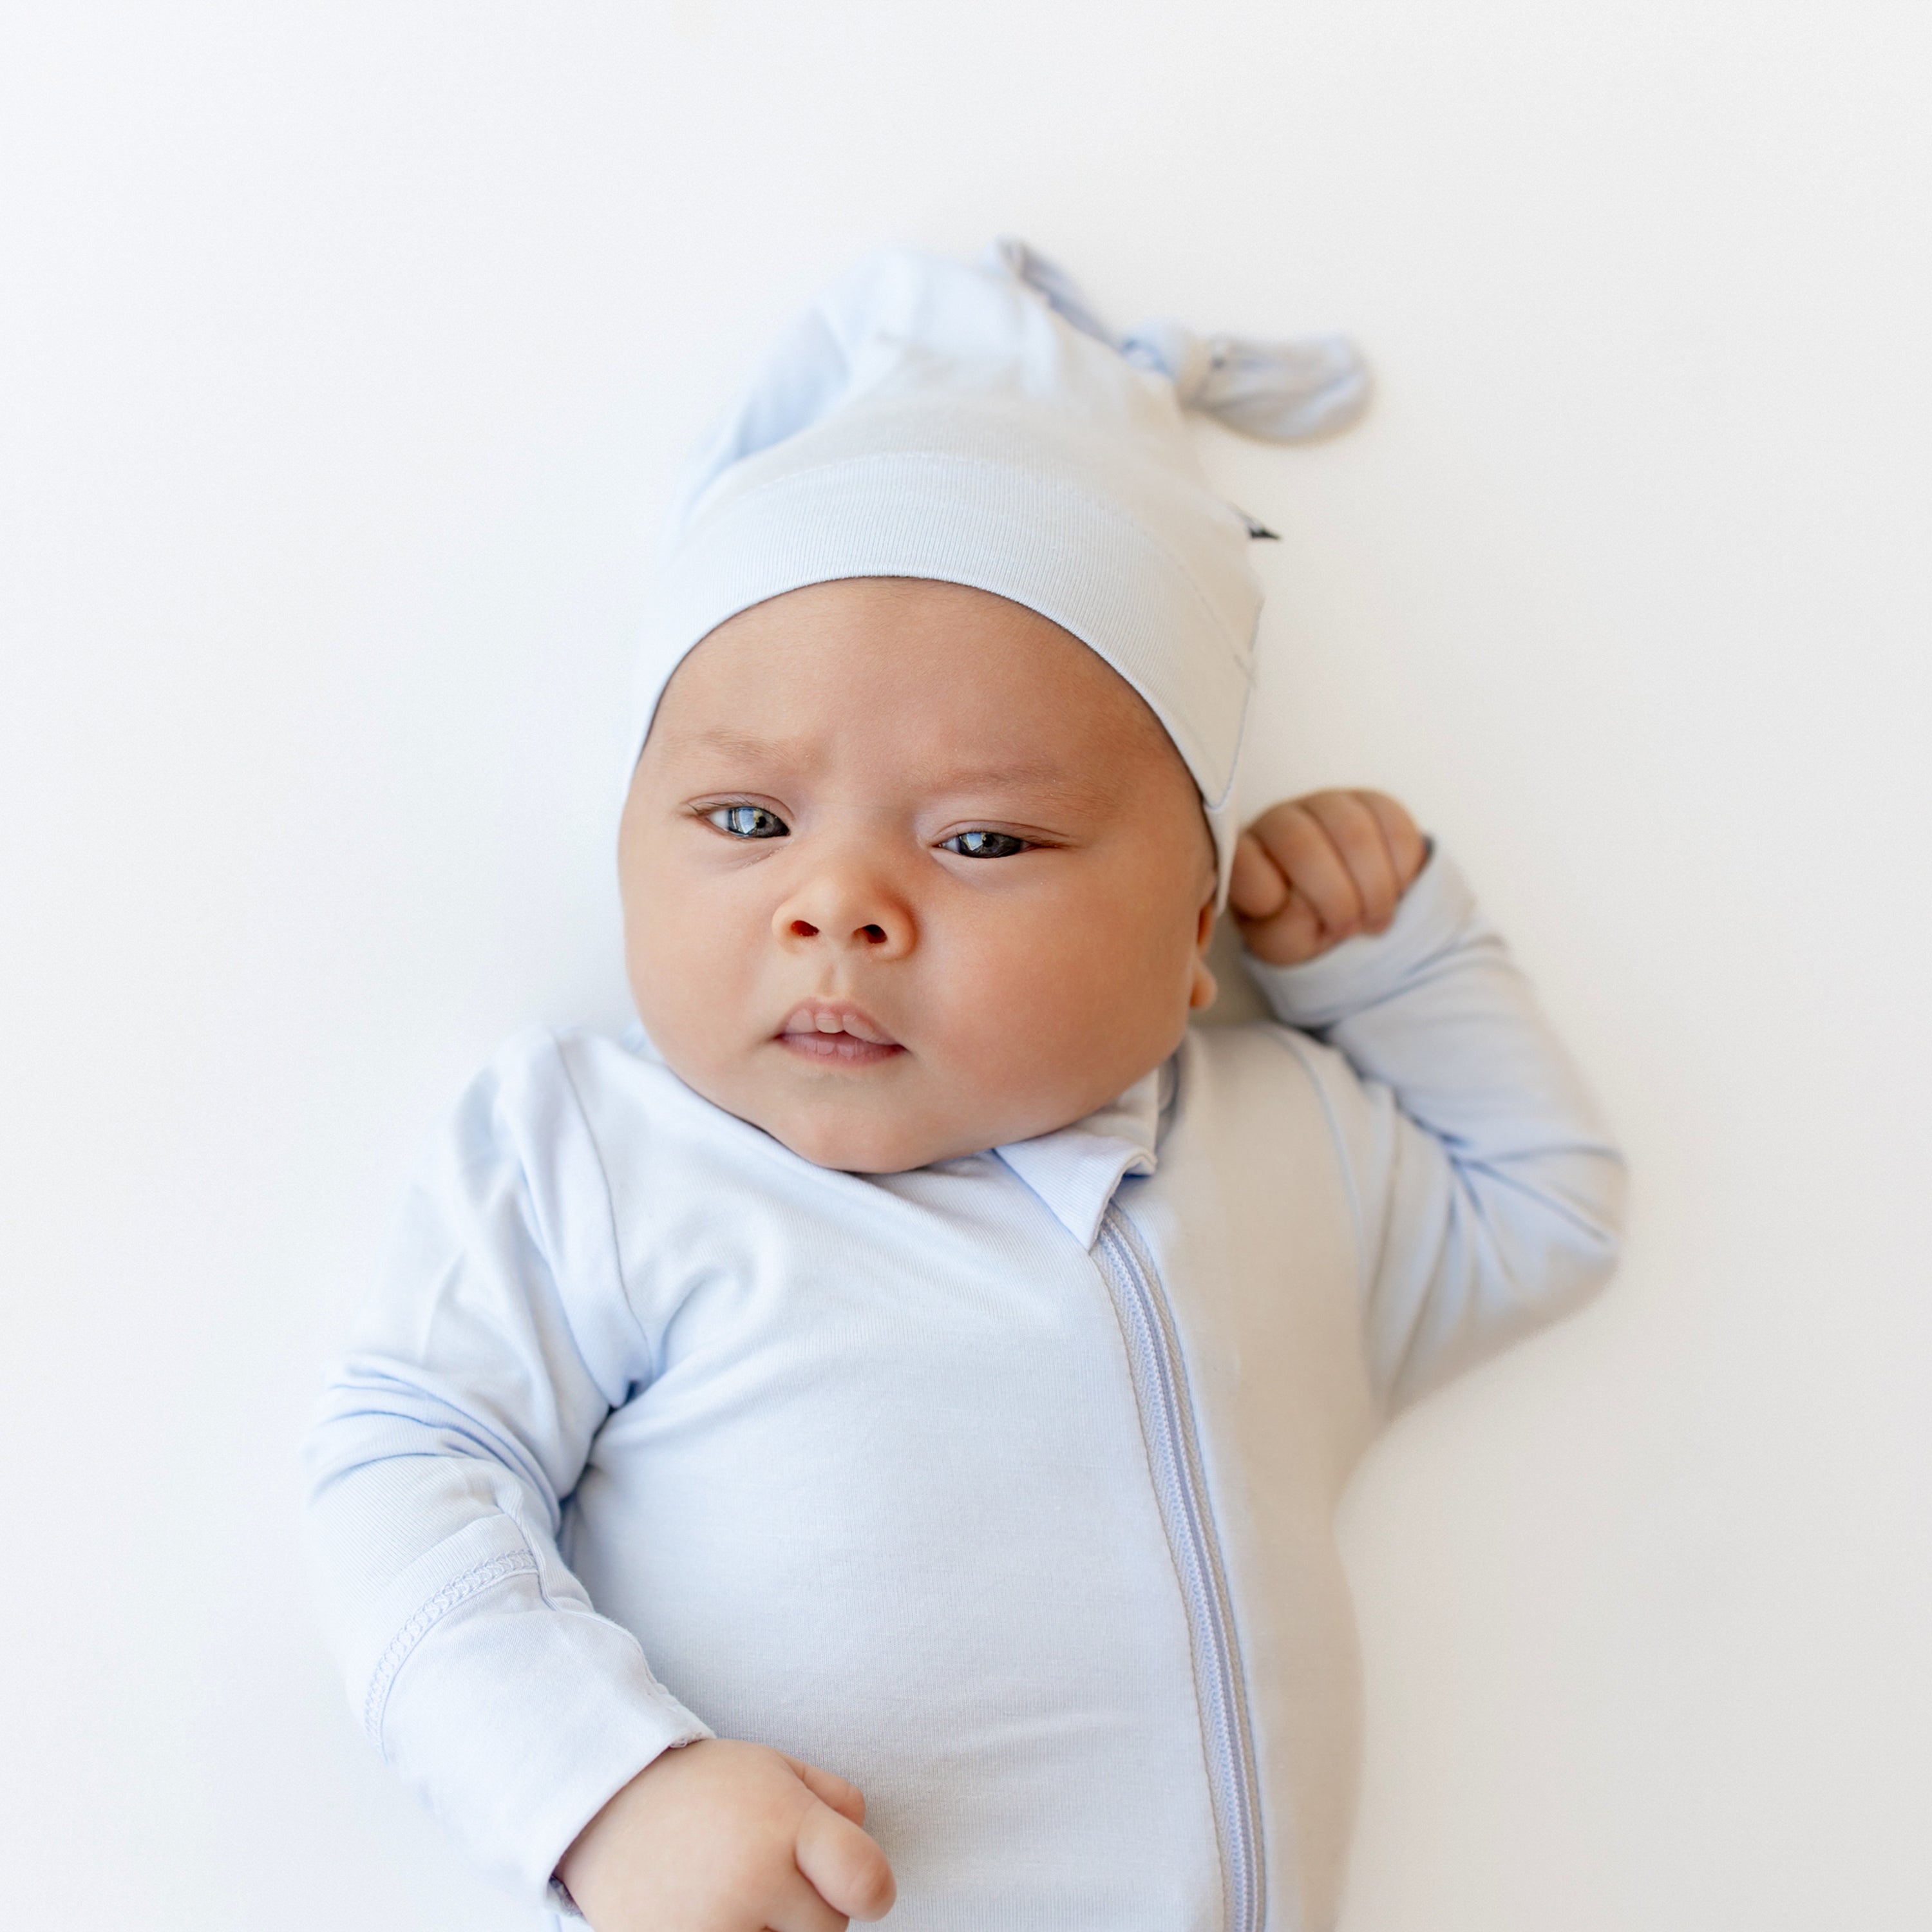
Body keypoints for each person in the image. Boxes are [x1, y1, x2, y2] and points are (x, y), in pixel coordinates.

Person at [303, 242, 1625, 1932]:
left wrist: (1395, 960)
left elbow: (1545, 1211)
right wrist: (601, 1788)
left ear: (1194, 927)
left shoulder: (1279, 1157)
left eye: (982, 839)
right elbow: (409, 1468)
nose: (837, 902)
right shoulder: (610, 1156)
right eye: (747, 820)